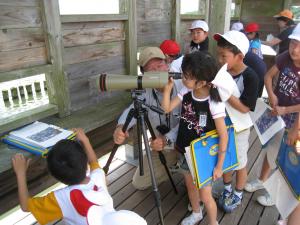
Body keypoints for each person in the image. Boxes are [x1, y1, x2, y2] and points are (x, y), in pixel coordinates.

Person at [12, 128, 147, 225]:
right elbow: (94, 163)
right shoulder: (98, 177)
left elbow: (25, 206)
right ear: (84, 162)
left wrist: (21, 173)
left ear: (56, 176)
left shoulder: (61, 198)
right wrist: (85, 140)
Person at [162, 51, 228, 225]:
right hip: (186, 150)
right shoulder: (186, 90)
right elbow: (167, 108)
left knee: (206, 195)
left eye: (187, 76)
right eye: (184, 74)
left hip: (204, 155)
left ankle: (213, 222)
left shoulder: (214, 102)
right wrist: (167, 90)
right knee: (190, 186)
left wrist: (219, 165)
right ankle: (197, 213)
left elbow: (224, 135)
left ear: (202, 82)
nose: (183, 79)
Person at [245, 23, 300, 207]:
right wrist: (272, 94)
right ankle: (261, 179)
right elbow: (268, 76)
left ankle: (274, 193)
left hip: (295, 119)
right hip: (277, 111)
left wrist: (294, 129)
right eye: (293, 43)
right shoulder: (285, 57)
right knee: (270, 148)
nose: (295, 49)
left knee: (286, 157)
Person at [113, 47, 183, 190]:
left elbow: (189, 121)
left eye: (160, 66)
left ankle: (184, 168)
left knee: (193, 182)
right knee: (139, 183)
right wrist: (120, 128)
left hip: (185, 143)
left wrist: (167, 138)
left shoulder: (183, 85)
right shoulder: (145, 89)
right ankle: (175, 166)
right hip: (162, 148)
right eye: (151, 69)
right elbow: (133, 108)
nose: (157, 71)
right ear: (144, 75)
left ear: (167, 64)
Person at [214, 30, 259, 213]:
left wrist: (223, 91)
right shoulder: (222, 71)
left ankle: (238, 192)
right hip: (222, 125)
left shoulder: (251, 77)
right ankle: (226, 189)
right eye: (219, 54)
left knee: (240, 162)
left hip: (240, 127)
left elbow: (245, 108)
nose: (219, 59)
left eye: (223, 56)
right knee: (226, 160)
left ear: (239, 56)